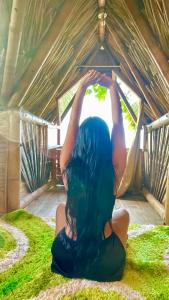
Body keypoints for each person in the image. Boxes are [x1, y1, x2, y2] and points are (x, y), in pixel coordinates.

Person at [51, 70, 129, 282]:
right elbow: (118, 125)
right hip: (105, 262)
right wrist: (113, 88)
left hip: (67, 257)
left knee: (60, 209)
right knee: (123, 215)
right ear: (107, 145)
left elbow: (72, 127)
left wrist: (81, 90)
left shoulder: (68, 167)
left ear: (78, 145)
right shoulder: (114, 169)